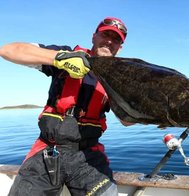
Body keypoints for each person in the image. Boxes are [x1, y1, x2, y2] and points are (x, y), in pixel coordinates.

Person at [0, 16, 128, 196]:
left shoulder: (119, 79)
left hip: (88, 157)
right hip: (47, 152)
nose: (109, 41)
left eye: (116, 39)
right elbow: (8, 50)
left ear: (120, 47)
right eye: (105, 34)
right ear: (94, 36)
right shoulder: (67, 54)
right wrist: (59, 58)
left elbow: (127, 122)